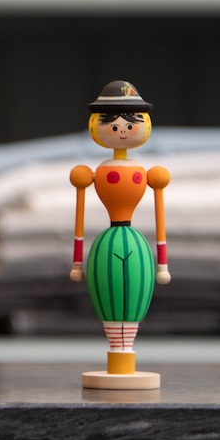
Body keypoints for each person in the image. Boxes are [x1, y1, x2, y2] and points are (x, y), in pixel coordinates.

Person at [68, 80, 170, 389]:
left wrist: (162, 263)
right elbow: (79, 216)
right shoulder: (98, 173)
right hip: (112, 243)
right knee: (114, 293)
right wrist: (77, 261)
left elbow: (159, 210)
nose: (122, 129)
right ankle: (118, 350)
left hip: (126, 242)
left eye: (132, 121)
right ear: (95, 125)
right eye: (111, 122)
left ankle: (123, 351)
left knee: (126, 293)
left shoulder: (141, 172)